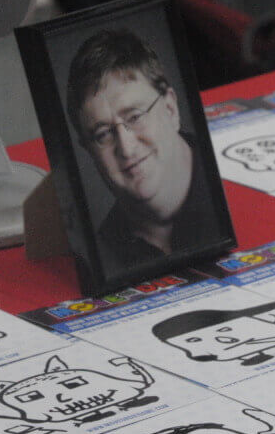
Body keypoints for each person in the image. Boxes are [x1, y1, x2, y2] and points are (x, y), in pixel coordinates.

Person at [66, 28, 218, 271]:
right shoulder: (102, 256)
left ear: (170, 109)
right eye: (103, 134)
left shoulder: (231, 192)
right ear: (89, 150)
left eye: (135, 117)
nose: (126, 149)